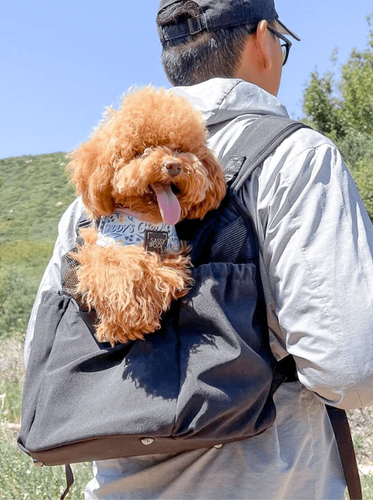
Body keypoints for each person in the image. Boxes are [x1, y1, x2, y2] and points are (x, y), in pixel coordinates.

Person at [24, 0, 373, 498]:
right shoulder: (296, 158)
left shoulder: (86, 207)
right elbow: (352, 372)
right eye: (282, 42)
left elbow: (43, 347)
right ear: (262, 39)